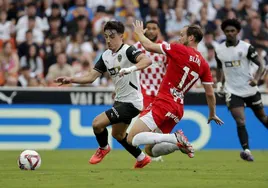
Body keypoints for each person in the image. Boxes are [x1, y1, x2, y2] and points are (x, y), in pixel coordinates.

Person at [54, 21, 152, 168]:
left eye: (112, 36)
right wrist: (71, 79)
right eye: (106, 36)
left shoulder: (128, 51)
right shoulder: (106, 55)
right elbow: (91, 77)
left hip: (132, 103)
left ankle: (104, 148)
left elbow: (147, 60)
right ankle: (141, 158)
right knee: (118, 135)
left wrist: (130, 69)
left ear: (121, 36)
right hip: (120, 101)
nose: (108, 40)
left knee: (97, 124)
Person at [123, 20, 223, 160]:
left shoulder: (179, 49)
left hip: (164, 102)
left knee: (131, 138)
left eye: (182, 35)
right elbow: (210, 93)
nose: (179, 38)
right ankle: (177, 144)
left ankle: (174, 137)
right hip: (177, 108)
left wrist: (139, 33)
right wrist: (212, 113)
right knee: (150, 149)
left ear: (191, 38)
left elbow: (149, 45)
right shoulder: (204, 64)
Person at [215, 19, 267, 162]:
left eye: (233, 31)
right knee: (240, 120)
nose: (230, 33)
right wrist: (219, 83)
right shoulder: (219, 50)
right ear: (224, 32)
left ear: (237, 32)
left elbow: (261, 65)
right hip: (233, 91)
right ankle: (246, 150)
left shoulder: (246, 48)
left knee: (263, 118)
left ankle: (246, 149)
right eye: (227, 31)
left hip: (250, 89)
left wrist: (256, 78)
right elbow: (220, 67)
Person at [133, 20, 168, 162]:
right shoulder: (136, 47)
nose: (152, 31)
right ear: (145, 31)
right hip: (144, 91)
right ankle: (147, 154)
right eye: (149, 28)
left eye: (155, 28)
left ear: (159, 30)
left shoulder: (165, 48)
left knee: (159, 125)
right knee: (146, 122)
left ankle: (152, 151)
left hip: (161, 92)